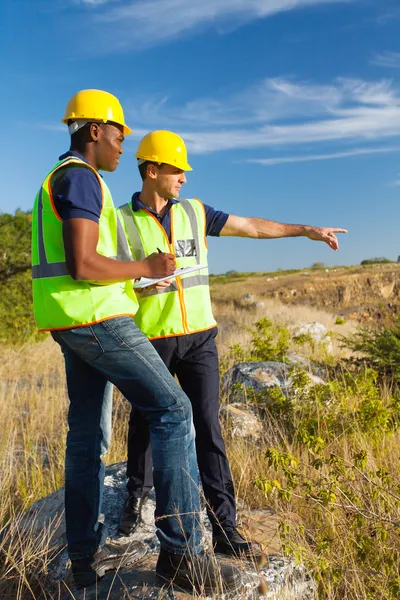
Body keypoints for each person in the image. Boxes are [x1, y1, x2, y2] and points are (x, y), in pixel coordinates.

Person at [31, 93, 241, 594]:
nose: (124, 145)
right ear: (96, 130)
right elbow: (84, 264)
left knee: (86, 437)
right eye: (120, 134)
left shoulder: (57, 177)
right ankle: (183, 552)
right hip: (99, 319)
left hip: (68, 321)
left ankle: (83, 558)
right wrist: (145, 269)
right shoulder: (81, 177)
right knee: (173, 410)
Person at [117, 130, 347, 555]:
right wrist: (139, 280)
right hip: (151, 337)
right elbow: (109, 273)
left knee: (208, 427)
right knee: (144, 422)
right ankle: (134, 498)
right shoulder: (119, 220)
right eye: (176, 169)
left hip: (200, 338)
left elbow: (253, 227)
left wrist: (305, 231)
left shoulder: (197, 212)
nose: (184, 177)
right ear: (152, 171)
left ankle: (225, 529)